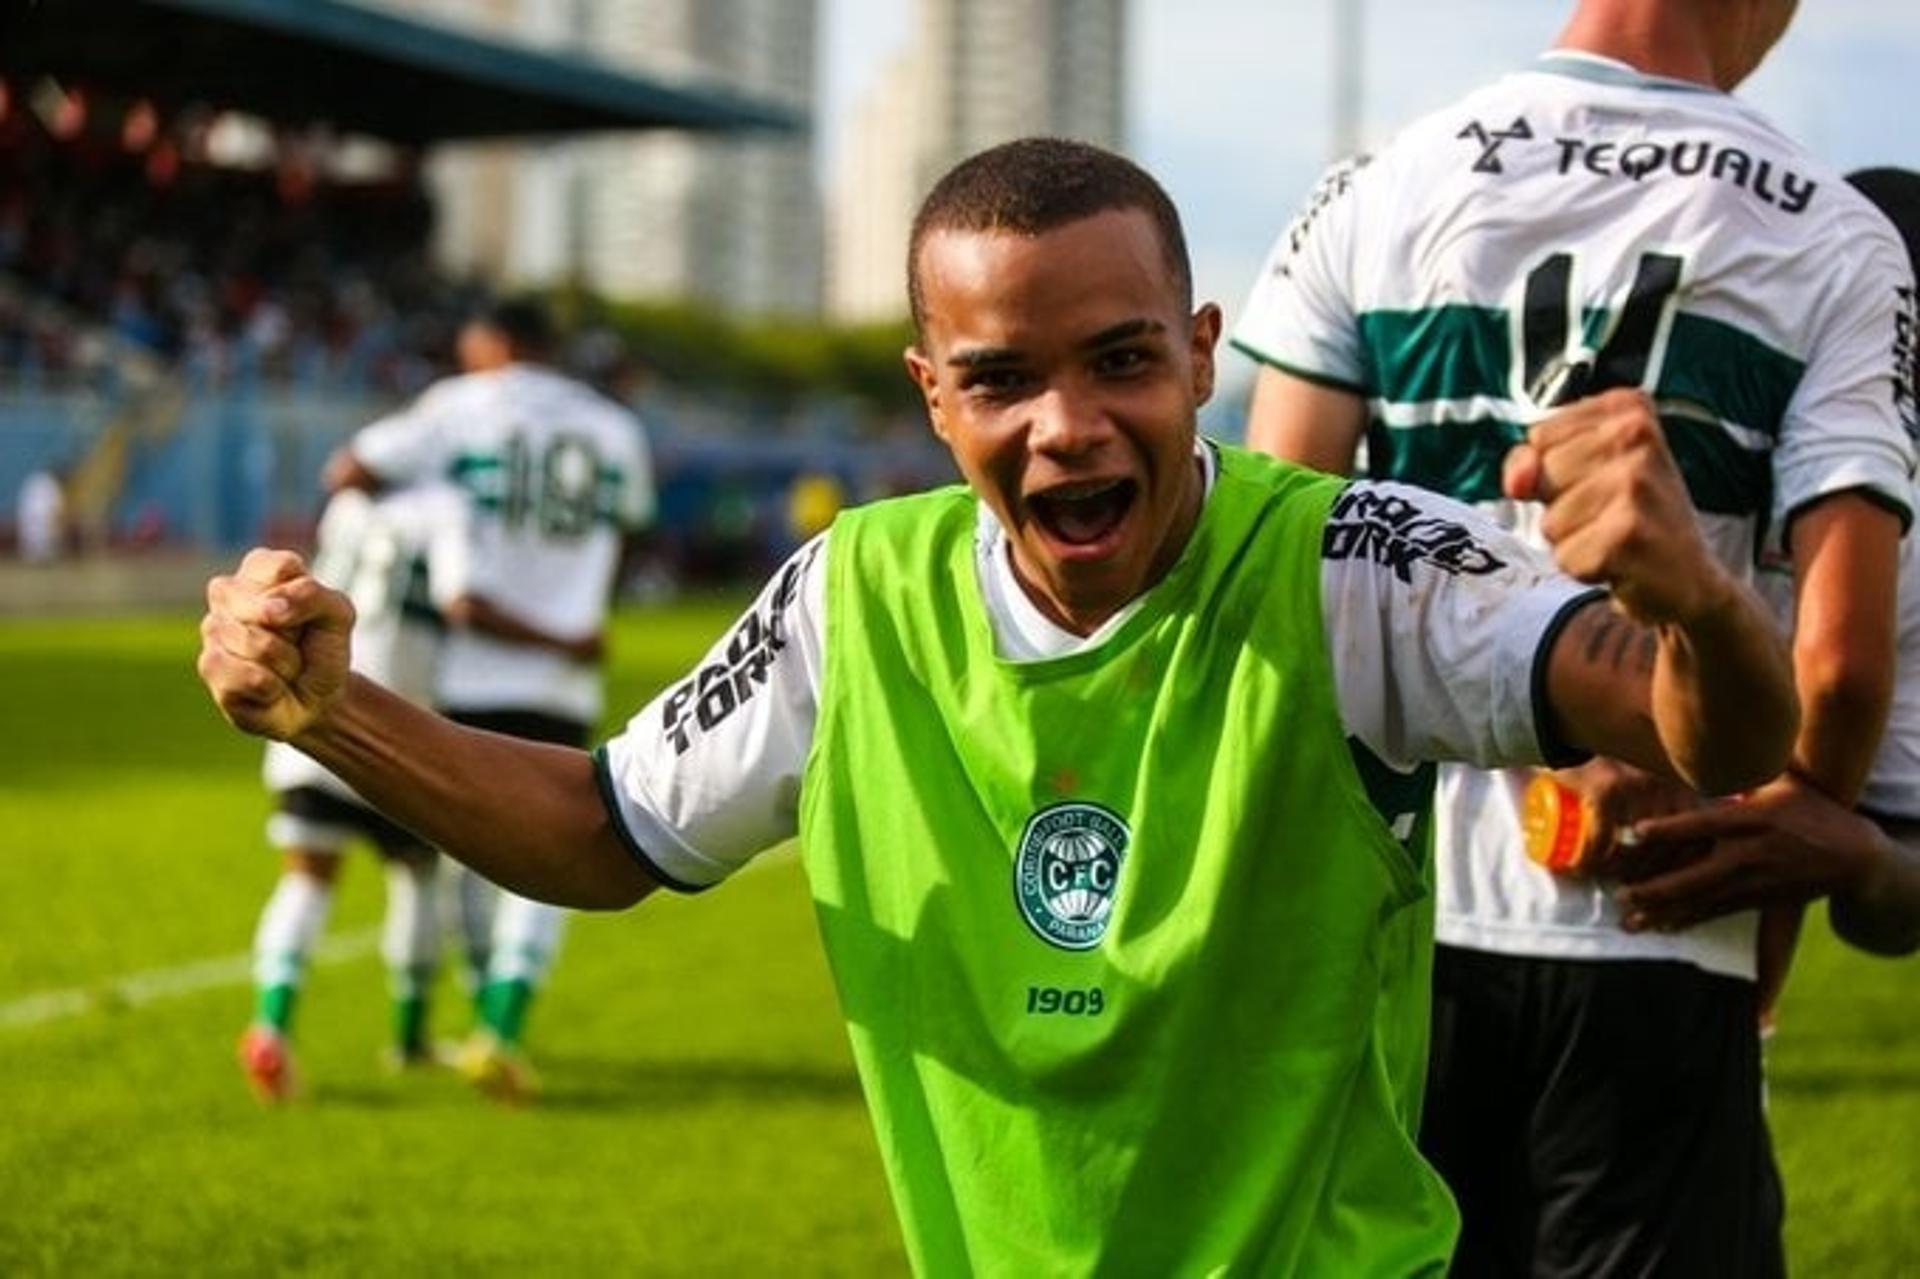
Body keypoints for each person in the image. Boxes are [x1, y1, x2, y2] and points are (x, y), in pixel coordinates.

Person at [196, 138, 1797, 1274]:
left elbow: (1705, 730)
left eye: (1121, 361)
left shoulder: (1349, 567)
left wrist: (1700, 604)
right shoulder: (853, 594)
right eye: (1003, 379)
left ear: (1201, 353)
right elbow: (607, 825)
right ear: (930, 389)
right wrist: (337, 711)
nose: (1069, 428)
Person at [1233, 1, 1917, 1272]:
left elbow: (1277, 583)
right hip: (1657, 928)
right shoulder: (1836, 234)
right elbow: (1842, 664)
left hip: (1393, 919)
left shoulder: (1376, 188)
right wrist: (1785, 831)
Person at [324, 296, 655, 1101]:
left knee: (468, 849)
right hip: (564, 669)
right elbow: (633, 526)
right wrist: (580, 601)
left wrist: (407, 532)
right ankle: (501, 1025)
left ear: (498, 342)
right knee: (564, 852)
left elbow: (349, 469)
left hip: (468, 669)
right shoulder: (614, 428)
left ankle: (457, 1010)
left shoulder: (459, 406)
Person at [1617, 166, 1920, 960]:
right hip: (1478, 944)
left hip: (1708, 1008)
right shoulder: (1632, 456)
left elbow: (1893, 911)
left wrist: (1856, 855)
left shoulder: (1904, 566)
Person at [239, 484, 468, 1101]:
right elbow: (460, 600)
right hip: (392, 723)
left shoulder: (349, 508)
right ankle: (411, 1036)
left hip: (310, 710)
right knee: (417, 873)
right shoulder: (447, 508)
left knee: (307, 878)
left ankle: (270, 1025)